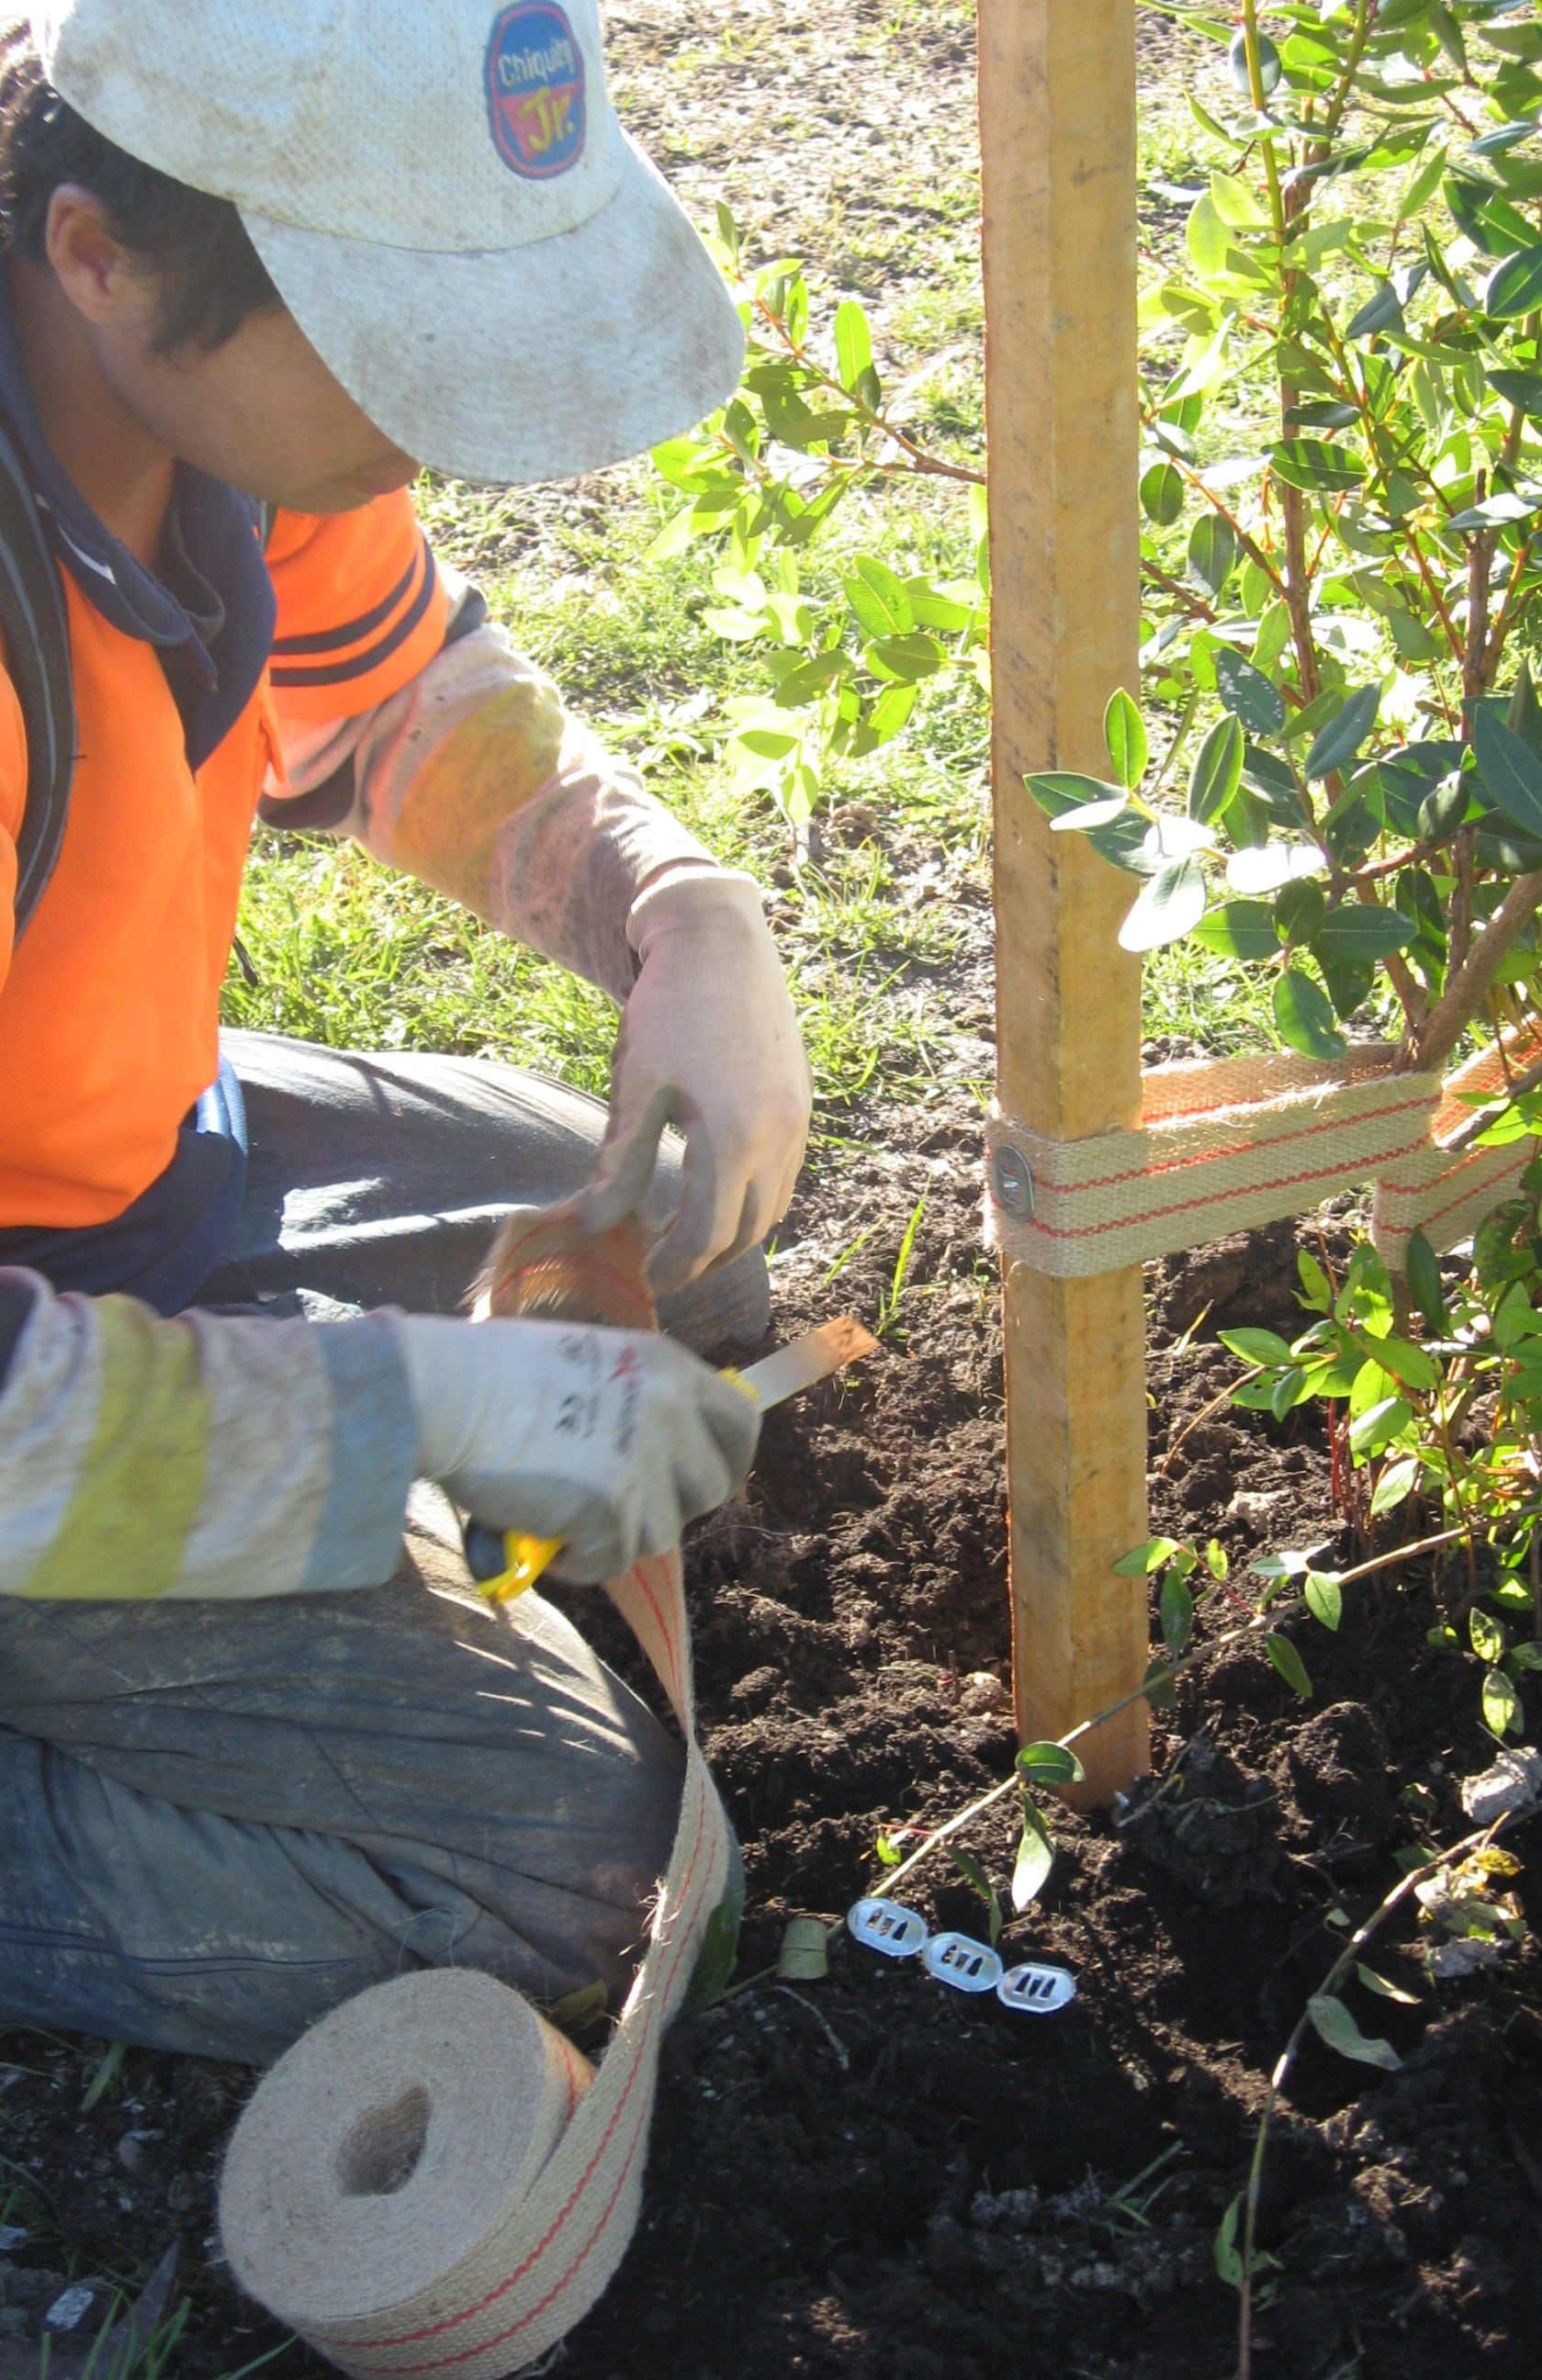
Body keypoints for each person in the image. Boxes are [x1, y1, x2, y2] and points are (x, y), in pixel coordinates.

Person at [0, 0, 813, 2065]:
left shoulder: (186, 387)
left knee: (633, 1237)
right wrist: (404, 1426)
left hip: (121, 1168)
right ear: (97, 256)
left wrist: (674, 906)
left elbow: (384, 700)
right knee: (571, 1867)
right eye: (389, 349)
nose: (436, 423)